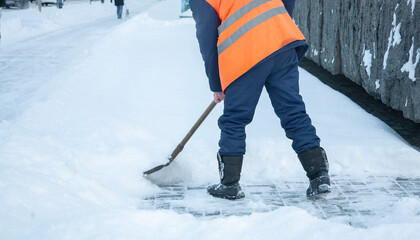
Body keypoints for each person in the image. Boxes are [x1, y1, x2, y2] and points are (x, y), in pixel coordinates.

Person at [190, 0, 331, 200]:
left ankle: (229, 184)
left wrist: (216, 84)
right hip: (282, 43)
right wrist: (274, 27)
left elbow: (207, 39)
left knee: (235, 118)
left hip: (245, 53)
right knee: (293, 111)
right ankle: (319, 177)